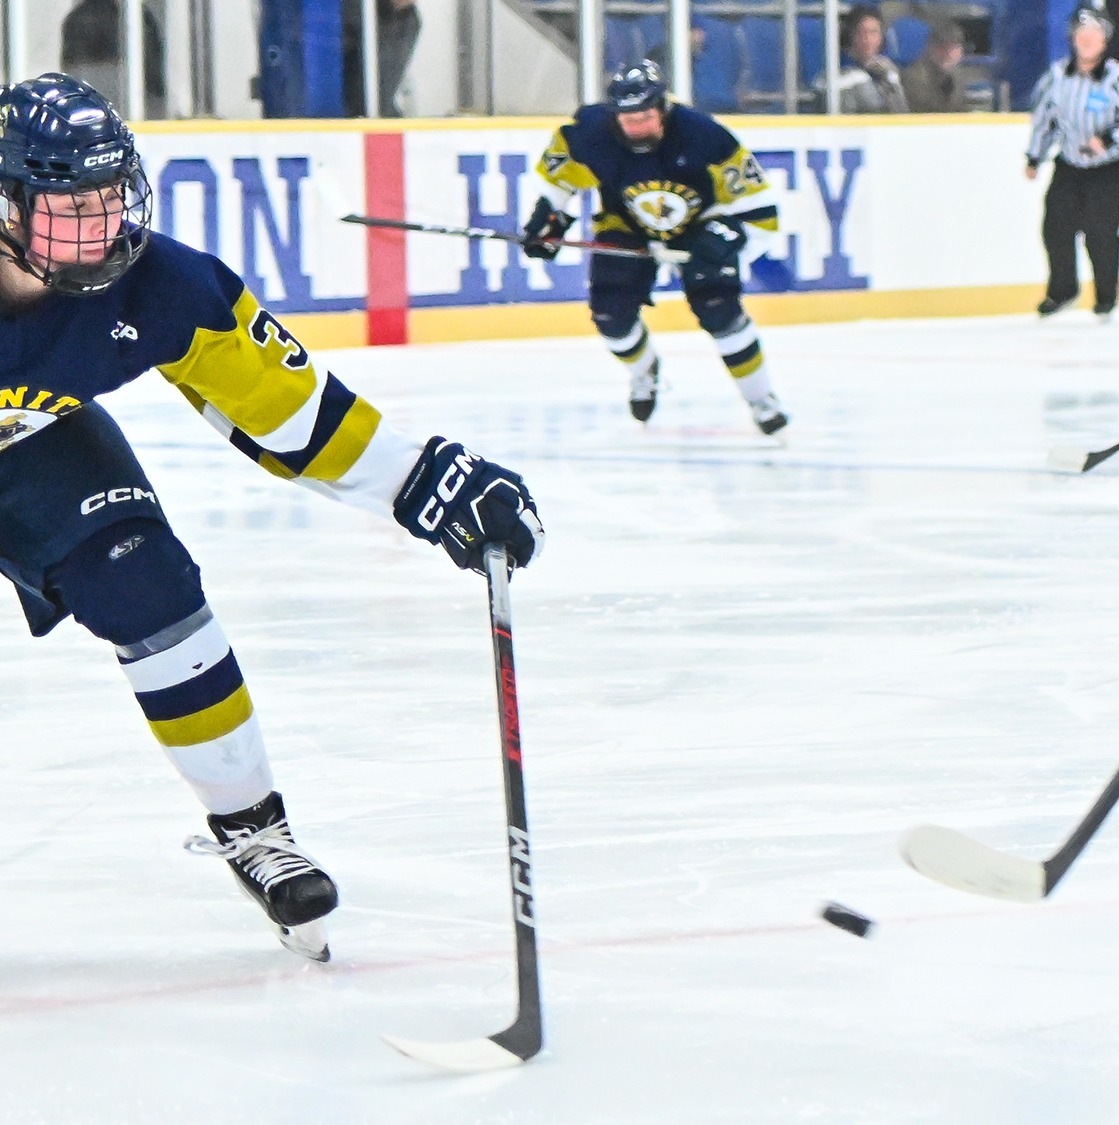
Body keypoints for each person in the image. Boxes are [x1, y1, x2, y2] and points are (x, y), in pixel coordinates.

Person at [0, 74, 544, 961]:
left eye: (110, 196)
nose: (101, 225)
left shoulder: (160, 286)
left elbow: (290, 413)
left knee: (148, 583)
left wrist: (428, 481)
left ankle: (254, 828)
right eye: (71, 204)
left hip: (32, 442)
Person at [523, 62, 789, 433]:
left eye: (646, 117)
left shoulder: (707, 138)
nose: (637, 128)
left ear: (663, 108)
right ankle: (643, 371)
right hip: (625, 223)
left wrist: (726, 246)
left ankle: (761, 399)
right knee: (609, 317)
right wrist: (548, 219)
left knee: (720, 312)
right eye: (628, 120)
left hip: (701, 225)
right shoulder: (590, 133)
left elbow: (762, 214)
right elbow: (558, 180)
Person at [1026, 8, 1119, 321]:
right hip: (1070, 163)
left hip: (1111, 167)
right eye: (1081, 34)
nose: (1087, 40)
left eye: (1094, 34)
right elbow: (1045, 119)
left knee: (1100, 230)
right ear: (1072, 38)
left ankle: (1106, 297)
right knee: (1055, 226)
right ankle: (1062, 290)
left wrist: (1109, 139)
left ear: (1105, 40)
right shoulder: (1057, 76)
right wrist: (1035, 156)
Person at [823, 6, 910, 114]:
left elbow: (901, 115)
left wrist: (889, 78)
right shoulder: (835, 73)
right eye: (860, 32)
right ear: (849, 36)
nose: (867, 39)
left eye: (873, 32)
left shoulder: (888, 71)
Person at [903, 19, 971, 113]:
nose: (948, 53)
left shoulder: (959, 75)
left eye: (953, 48)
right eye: (942, 47)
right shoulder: (914, 77)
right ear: (929, 48)